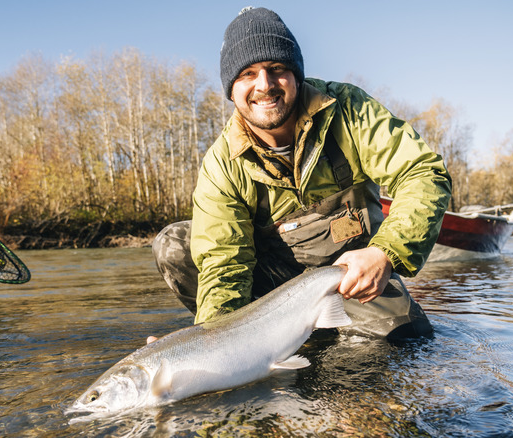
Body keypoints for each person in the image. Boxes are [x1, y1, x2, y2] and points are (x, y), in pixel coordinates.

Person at [153, 6, 451, 338]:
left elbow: (422, 173)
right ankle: (265, 340)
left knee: (404, 343)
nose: (264, 85)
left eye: (276, 68)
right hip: (270, 289)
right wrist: (204, 346)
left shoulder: (348, 110)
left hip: (351, 278)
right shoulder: (221, 165)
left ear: (296, 74)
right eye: (247, 74)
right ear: (231, 89)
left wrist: (386, 251)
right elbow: (224, 267)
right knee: (175, 245)